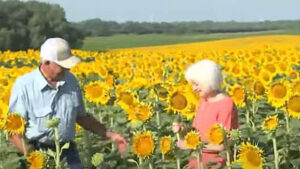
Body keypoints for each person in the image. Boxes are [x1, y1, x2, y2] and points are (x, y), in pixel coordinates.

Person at [8, 37, 127, 169]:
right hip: (37, 150)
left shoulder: (71, 81)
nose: (67, 69)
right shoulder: (24, 85)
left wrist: (110, 135)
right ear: (46, 62)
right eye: (62, 65)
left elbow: (81, 117)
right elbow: (13, 131)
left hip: (67, 150)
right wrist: (31, 157)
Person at [173, 59, 239, 169]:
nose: (194, 89)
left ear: (209, 81)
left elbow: (222, 145)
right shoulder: (204, 101)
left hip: (216, 163)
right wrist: (183, 129)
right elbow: (197, 131)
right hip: (196, 160)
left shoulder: (225, 104)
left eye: (196, 84)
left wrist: (191, 144)